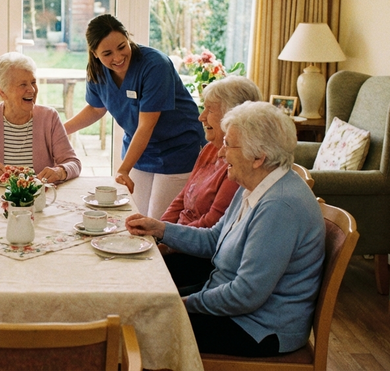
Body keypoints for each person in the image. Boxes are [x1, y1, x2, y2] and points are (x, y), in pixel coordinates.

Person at [125, 101, 324, 357]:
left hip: (258, 327)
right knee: (143, 302)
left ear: (258, 157)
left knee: (137, 327)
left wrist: (182, 304)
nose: (220, 153)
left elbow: (246, 294)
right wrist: (160, 228)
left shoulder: (279, 206)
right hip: (232, 306)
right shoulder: (255, 184)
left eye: (229, 145)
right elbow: (214, 239)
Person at [64, 14, 204, 218]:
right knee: (134, 218)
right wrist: (59, 130)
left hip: (177, 149)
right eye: (107, 53)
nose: (118, 57)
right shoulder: (97, 71)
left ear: (128, 38)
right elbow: (96, 108)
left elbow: (146, 125)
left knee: (155, 224)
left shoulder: (155, 65)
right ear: (94, 53)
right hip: (140, 151)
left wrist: (122, 170)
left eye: (122, 46)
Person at [159, 76, 262, 292]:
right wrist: (160, 230)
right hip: (180, 240)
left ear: (234, 115)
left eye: (209, 110)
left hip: (199, 255)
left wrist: (169, 241)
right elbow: (182, 196)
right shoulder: (209, 148)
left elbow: (212, 226)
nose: (200, 117)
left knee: (136, 276)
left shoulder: (240, 166)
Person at [0, 52, 81, 183]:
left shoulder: (49, 118)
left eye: (33, 82)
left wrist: (60, 171)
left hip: (38, 199)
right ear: (2, 92)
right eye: (23, 85)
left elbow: (73, 162)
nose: (32, 90)